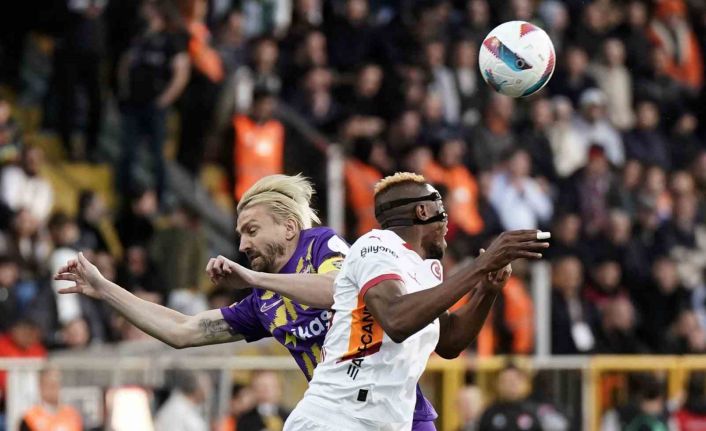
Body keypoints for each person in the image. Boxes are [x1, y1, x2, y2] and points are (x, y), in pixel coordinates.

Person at [53, 174, 434, 428]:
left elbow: (340, 290)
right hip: (340, 416)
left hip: (398, 411)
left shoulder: (320, 244)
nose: (243, 244)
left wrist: (253, 278)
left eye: (251, 230)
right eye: (240, 235)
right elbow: (182, 330)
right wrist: (105, 289)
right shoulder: (263, 303)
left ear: (289, 227)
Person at [281, 172, 549, 430]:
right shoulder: (375, 246)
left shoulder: (424, 268)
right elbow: (396, 320)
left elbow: (450, 341)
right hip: (337, 416)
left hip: (383, 420)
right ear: (423, 211)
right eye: (442, 211)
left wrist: (486, 290)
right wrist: (481, 264)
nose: (448, 223)